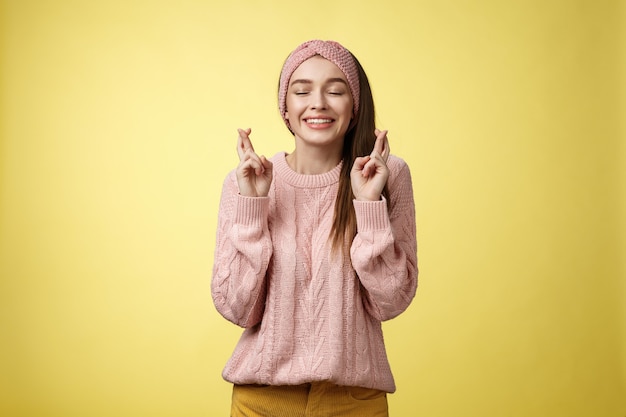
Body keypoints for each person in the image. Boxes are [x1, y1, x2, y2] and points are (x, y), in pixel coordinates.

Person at [212, 39, 418, 417]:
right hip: (262, 401)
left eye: (335, 90)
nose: (318, 103)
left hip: (354, 403)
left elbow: (392, 300)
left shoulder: (387, 176)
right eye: (302, 90)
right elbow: (236, 307)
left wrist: (369, 205)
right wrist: (254, 206)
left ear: (354, 107)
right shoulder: (246, 182)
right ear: (285, 109)